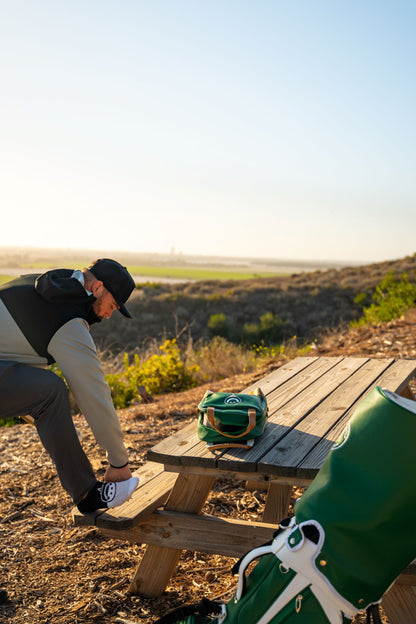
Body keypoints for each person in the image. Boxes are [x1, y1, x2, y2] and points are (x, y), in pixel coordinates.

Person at [0, 258, 139, 513]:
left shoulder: (45, 283)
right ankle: (87, 494)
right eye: (112, 305)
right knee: (49, 392)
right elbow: (94, 393)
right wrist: (119, 462)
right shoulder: (68, 320)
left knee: (45, 391)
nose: (108, 315)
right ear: (97, 288)